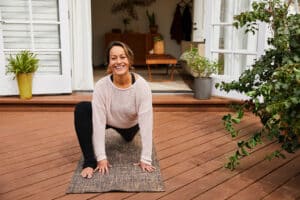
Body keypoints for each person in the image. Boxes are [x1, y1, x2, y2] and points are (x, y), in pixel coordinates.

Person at [74, 41, 156, 179]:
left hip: (130, 125)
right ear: (109, 63)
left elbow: (146, 124)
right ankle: (89, 161)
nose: (118, 61)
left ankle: (128, 134)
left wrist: (146, 158)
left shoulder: (142, 86)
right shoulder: (101, 86)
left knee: (129, 137)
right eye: (113, 58)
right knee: (82, 108)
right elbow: (99, 123)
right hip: (109, 119)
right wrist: (101, 157)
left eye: (122, 57)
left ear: (129, 60)